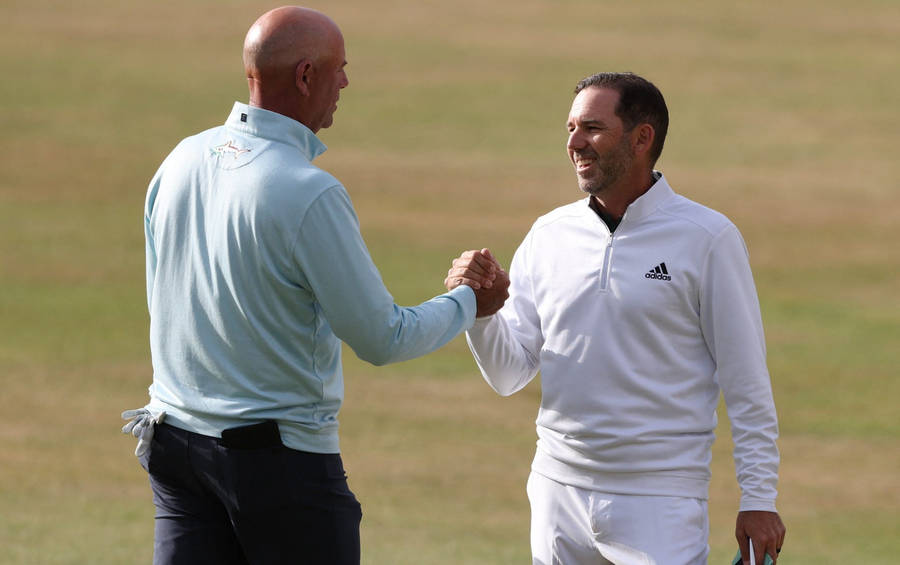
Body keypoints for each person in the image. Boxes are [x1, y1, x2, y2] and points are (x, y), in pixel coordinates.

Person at [121, 6, 505, 564]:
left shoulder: (181, 158)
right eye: (339, 68)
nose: (345, 82)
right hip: (278, 468)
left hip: (175, 447)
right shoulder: (307, 190)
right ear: (305, 76)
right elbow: (383, 338)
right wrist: (470, 300)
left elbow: (162, 299)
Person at [446, 72, 786, 565]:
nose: (574, 143)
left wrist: (759, 499)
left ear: (642, 138)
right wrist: (482, 315)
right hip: (556, 491)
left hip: (659, 501)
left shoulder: (708, 238)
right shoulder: (548, 234)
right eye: (570, 128)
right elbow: (508, 374)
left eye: (592, 128)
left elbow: (746, 380)